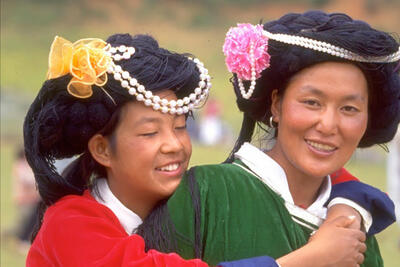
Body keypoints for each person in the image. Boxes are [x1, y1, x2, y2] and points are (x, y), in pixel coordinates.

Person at [139, 11, 400, 267]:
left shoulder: (356, 232)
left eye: (349, 109)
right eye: (312, 102)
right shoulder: (205, 194)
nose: (329, 125)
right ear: (276, 105)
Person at [25, 33, 272, 266]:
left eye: (180, 127)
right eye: (150, 132)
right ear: (102, 150)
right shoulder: (69, 223)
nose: (174, 145)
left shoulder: (190, 207)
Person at [12, 148, 40, 250]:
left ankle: (25, 240)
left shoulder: (27, 165)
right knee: (26, 222)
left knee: (31, 221)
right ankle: (21, 241)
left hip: (32, 199)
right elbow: (28, 180)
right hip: (24, 199)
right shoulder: (20, 166)